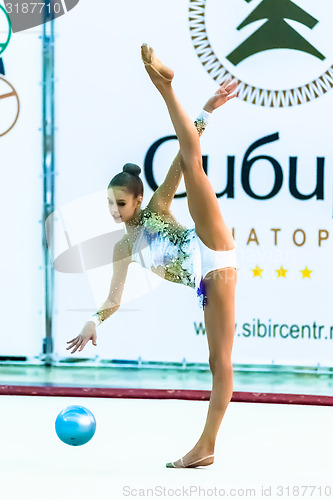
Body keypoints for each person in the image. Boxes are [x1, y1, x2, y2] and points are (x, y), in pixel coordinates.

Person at [67, 44, 239, 468]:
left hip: (209, 244)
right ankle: (207, 448)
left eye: (121, 204)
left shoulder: (158, 207)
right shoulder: (123, 247)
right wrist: (94, 321)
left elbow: (185, 154)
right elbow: (114, 299)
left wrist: (208, 110)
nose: (114, 211)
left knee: (191, 162)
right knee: (218, 362)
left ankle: (166, 88)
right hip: (209, 280)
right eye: (110, 204)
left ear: (138, 200)